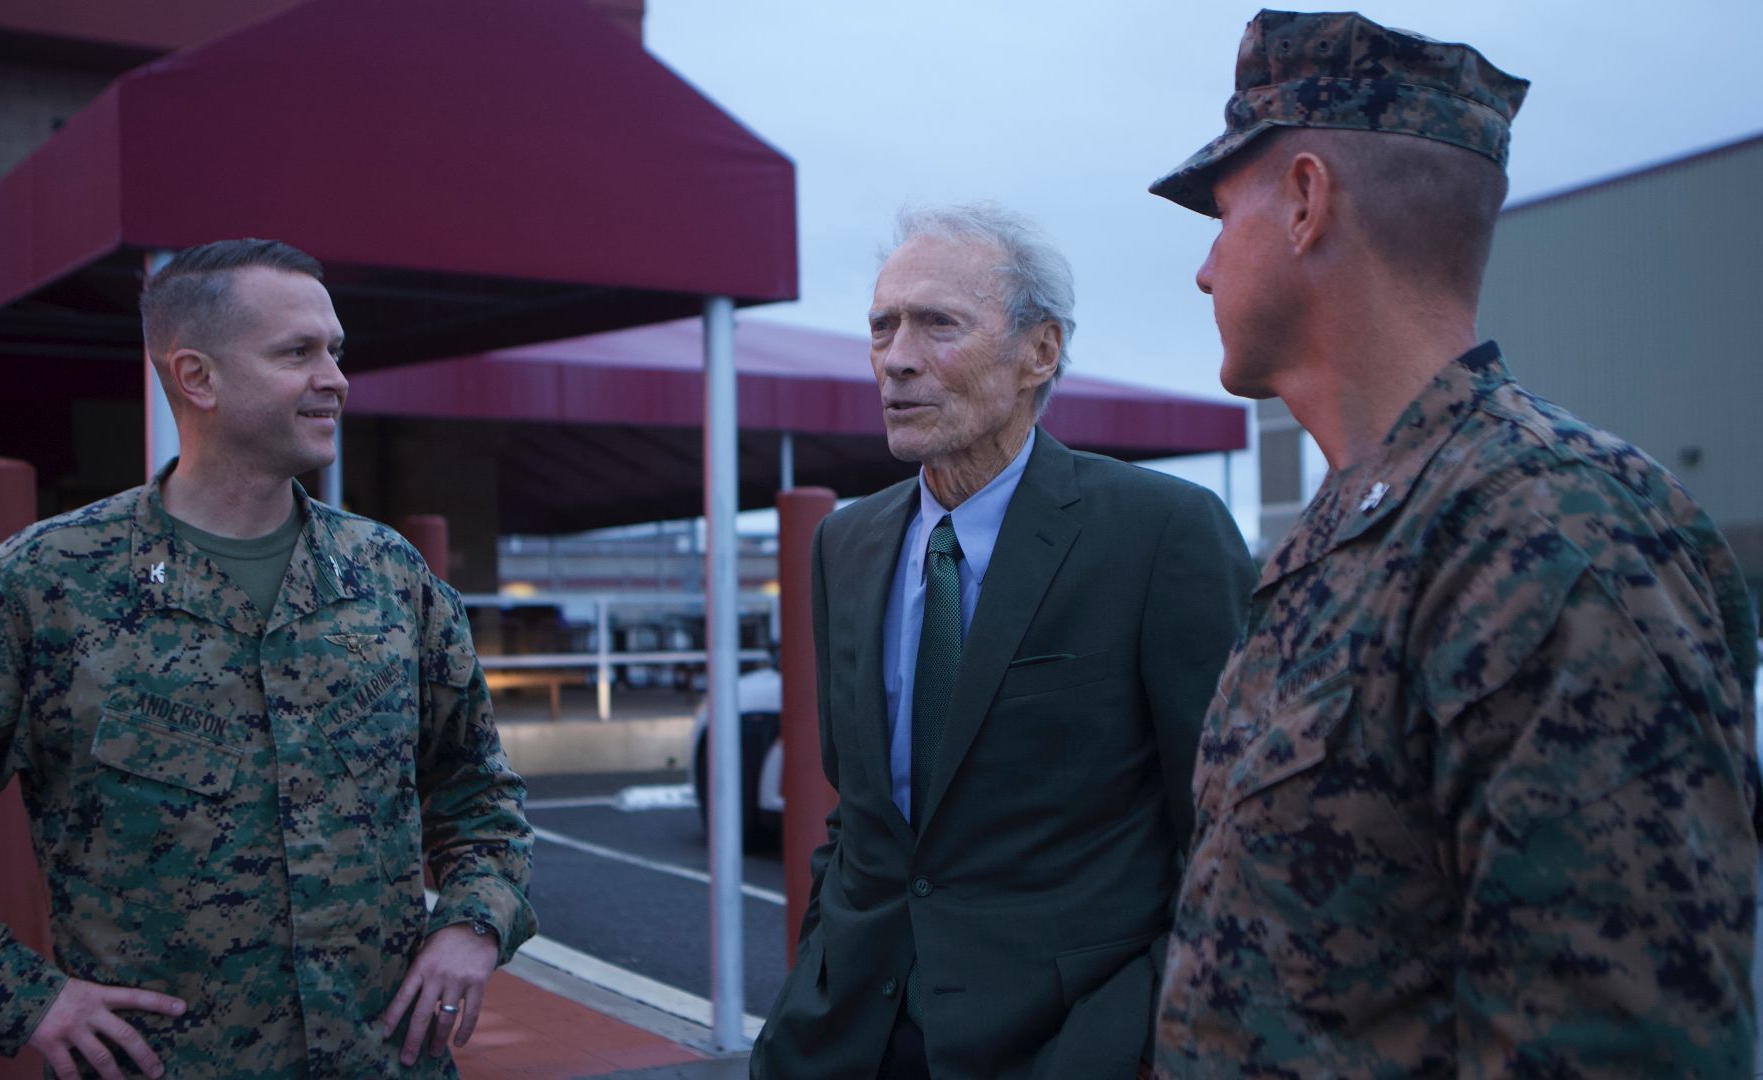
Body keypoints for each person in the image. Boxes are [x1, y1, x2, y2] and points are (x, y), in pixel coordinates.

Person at [1147, 11, 1760, 1076]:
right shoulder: (1349, 529)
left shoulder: (1554, 531)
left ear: (1305, 202)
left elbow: (1618, 1044)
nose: (1203, 270)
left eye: (1222, 213)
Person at [0, 239, 536, 1079]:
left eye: (335, 350)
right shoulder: (49, 584)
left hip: (381, 1060)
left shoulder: (389, 578)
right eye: (298, 353)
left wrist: (473, 922)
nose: (335, 379)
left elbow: (476, 786)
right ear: (196, 377)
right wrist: (13, 994)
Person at [750, 204, 1254, 1079]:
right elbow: (860, 816)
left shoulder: (1160, 533)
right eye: (882, 327)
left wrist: (1128, 1036)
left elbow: (1231, 837)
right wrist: (814, 979)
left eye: (938, 324)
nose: (896, 358)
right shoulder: (846, 545)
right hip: (840, 1041)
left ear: (1040, 351)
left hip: (1063, 1046)